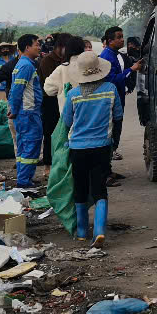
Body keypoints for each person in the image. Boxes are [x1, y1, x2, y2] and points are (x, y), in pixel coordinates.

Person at [60, 49, 117, 246]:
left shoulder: (73, 94)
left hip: (77, 149)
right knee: (100, 188)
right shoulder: (110, 89)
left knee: (80, 188)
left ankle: (83, 231)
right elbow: (117, 116)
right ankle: (100, 230)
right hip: (101, 146)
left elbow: (67, 121)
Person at [99, 27, 142, 165]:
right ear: (110, 41)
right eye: (119, 37)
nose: (122, 39)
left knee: (116, 129)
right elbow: (111, 79)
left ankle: (108, 167)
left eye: (123, 36)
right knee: (112, 130)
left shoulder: (115, 54)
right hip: (111, 100)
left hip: (117, 98)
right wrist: (132, 69)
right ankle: (106, 170)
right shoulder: (106, 57)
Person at [7, 33, 45, 189]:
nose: (39, 47)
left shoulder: (23, 64)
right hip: (28, 113)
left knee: (24, 147)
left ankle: (25, 178)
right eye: (36, 44)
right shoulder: (26, 66)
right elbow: (17, 90)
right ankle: (24, 182)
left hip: (25, 113)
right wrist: (14, 110)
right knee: (31, 146)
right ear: (27, 47)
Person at [36, 33, 69, 166]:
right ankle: (48, 162)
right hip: (49, 100)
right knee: (50, 132)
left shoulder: (65, 60)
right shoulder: (47, 61)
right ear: (60, 47)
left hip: (62, 99)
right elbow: (50, 85)